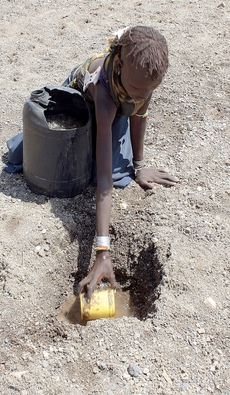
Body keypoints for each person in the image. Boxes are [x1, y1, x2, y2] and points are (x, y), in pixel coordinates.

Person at [64, 26, 179, 299]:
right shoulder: (104, 91)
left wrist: (139, 167)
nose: (143, 94)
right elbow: (104, 180)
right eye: (138, 88)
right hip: (86, 106)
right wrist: (102, 251)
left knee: (125, 170)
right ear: (118, 64)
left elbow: (140, 111)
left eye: (150, 89)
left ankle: (120, 136)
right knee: (110, 175)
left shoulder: (142, 75)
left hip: (117, 104)